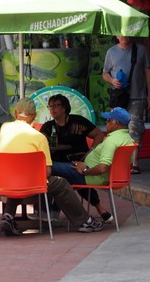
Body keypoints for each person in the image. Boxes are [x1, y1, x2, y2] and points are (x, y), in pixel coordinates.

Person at [0, 98, 104, 236]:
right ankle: (85, 221)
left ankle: (8, 216)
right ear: (34, 116)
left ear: (16, 113)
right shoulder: (39, 137)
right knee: (61, 183)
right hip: (30, 183)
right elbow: (46, 172)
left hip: (4, 181)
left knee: (19, 179)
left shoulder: (5, 128)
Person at [40, 94, 111, 222]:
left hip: (80, 161)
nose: (53, 109)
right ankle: (100, 208)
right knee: (62, 176)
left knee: (55, 173)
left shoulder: (78, 121)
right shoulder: (48, 126)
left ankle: (50, 212)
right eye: (50, 106)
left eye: (56, 105)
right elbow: (39, 142)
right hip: (60, 161)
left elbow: (99, 135)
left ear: (65, 107)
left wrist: (91, 151)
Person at [51, 107, 135, 210]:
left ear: (115, 123)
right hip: (109, 177)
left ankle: (51, 212)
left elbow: (102, 168)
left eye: (108, 120)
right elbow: (129, 165)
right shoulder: (129, 140)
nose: (106, 122)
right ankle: (98, 212)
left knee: (49, 168)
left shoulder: (112, 141)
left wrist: (85, 170)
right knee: (60, 178)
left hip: (91, 176)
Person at [102, 35, 150, 174]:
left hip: (138, 96)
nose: (124, 36)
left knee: (134, 128)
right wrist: (112, 80)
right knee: (117, 128)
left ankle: (134, 163)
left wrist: (149, 94)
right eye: (121, 33)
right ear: (116, 36)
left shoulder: (141, 49)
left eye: (126, 33)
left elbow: (148, 71)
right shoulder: (111, 52)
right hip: (118, 97)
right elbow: (105, 73)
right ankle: (119, 161)